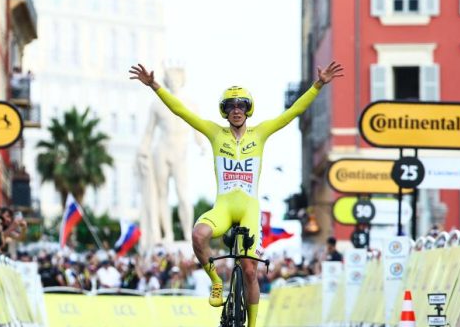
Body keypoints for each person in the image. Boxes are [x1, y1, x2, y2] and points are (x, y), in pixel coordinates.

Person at [129, 61, 343, 327]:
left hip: (249, 209)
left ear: (248, 109)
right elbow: (181, 111)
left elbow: (293, 112)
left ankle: (253, 325)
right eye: (231, 106)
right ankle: (217, 283)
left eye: (241, 105)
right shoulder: (215, 133)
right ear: (225, 111)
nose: (236, 110)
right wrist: (154, 86)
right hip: (223, 208)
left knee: (250, 269)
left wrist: (318, 84)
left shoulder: (260, 133)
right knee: (197, 235)